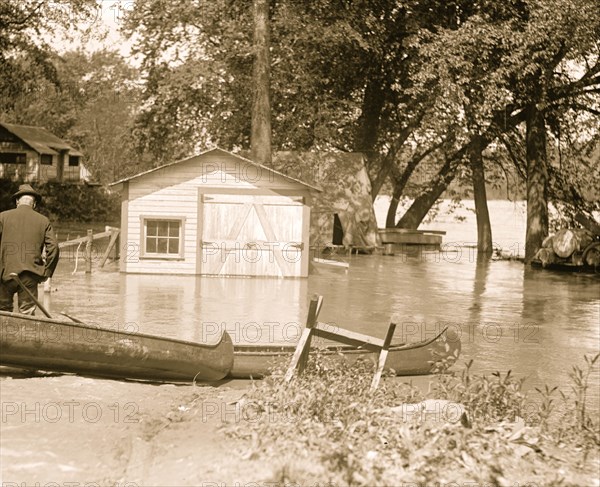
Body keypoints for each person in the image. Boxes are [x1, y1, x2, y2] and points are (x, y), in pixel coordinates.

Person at [0, 184, 60, 315]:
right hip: (30, 275)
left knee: (2, 313)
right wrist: (47, 271)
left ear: (17, 201)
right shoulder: (43, 221)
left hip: (5, 274)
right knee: (27, 315)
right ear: (34, 204)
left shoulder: (2, 217)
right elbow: (54, 248)